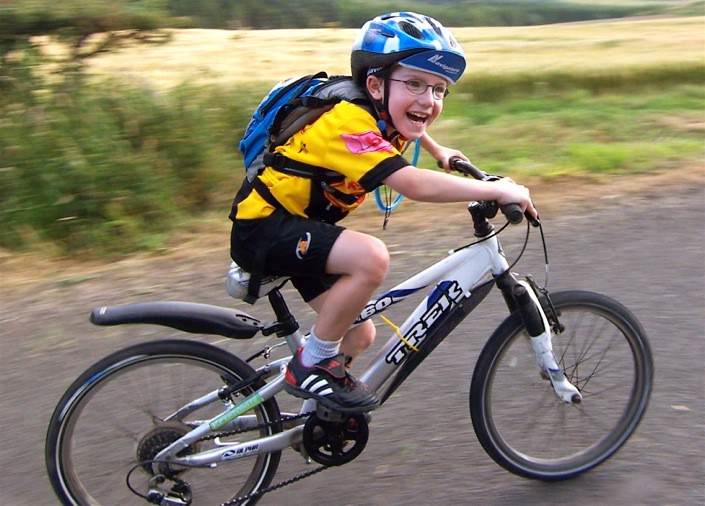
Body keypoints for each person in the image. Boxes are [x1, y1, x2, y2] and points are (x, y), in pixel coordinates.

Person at [229, 12, 537, 414]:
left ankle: (318, 417)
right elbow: (413, 184)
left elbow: (408, 117)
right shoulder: (345, 123)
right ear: (374, 84)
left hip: (301, 227)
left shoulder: (375, 108)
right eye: (414, 83)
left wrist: (437, 149)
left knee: (358, 336)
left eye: (440, 89)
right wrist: (495, 189)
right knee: (371, 258)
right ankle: (311, 364)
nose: (429, 100)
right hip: (264, 230)